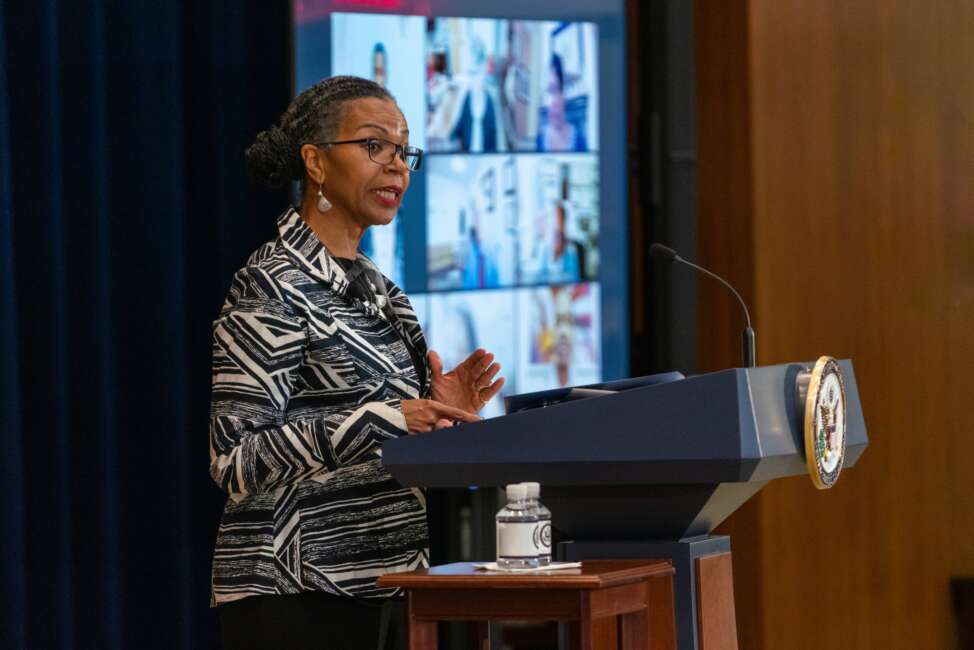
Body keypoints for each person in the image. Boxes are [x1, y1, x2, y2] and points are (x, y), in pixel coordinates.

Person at [211, 75, 505, 650]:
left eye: (404, 150)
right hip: (295, 592)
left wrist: (443, 419)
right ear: (316, 163)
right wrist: (386, 418)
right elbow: (235, 457)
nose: (397, 166)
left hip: (389, 581)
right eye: (374, 146)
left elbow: (388, 446)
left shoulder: (383, 293)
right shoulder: (270, 285)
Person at [537, 53, 587, 152]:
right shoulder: (539, 140)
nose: (550, 102)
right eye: (547, 93)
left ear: (564, 93)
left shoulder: (579, 140)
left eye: (554, 89)